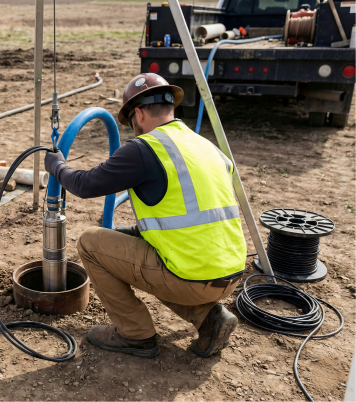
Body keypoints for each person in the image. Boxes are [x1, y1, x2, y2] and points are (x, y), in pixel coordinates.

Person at [44, 73, 246, 358]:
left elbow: (85, 185)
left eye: (131, 123)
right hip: (230, 272)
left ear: (137, 113)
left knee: (90, 242)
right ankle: (209, 317)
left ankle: (135, 334)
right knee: (139, 246)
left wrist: (58, 166)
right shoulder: (204, 145)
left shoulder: (145, 148)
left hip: (191, 277)